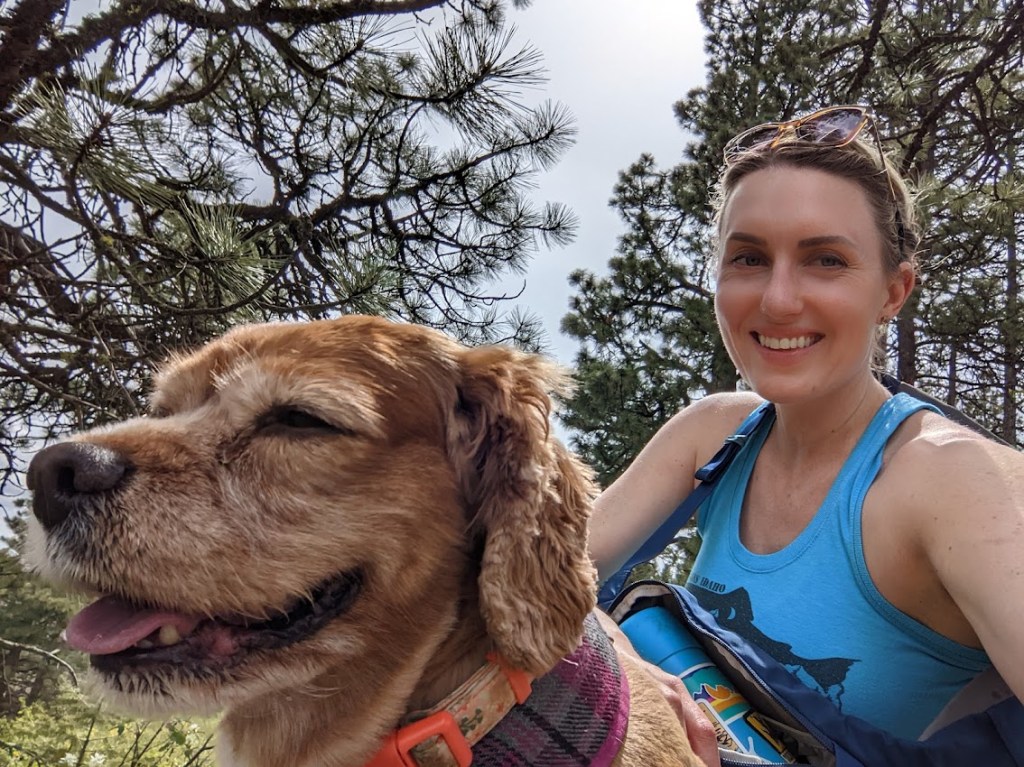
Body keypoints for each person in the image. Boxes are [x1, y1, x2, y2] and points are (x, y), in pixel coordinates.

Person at [588, 106, 1024, 767]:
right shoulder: (716, 433)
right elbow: (535, 581)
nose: (780, 299)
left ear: (893, 290)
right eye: (750, 258)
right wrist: (621, 656)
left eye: (825, 259)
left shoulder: (947, 475)